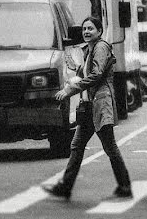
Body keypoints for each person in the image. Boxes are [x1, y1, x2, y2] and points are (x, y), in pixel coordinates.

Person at [43, 16, 132, 200]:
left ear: (99, 31)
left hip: (100, 103)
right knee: (77, 145)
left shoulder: (100, 47)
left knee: (109, 147)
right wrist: (75, 69)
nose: (86, 32)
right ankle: (65, 186)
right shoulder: (89, 49)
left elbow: (96, 75)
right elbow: (87, 73)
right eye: (84, 29)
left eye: (90, 28)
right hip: (90, 106)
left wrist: (71, 90)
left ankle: (125, 186)